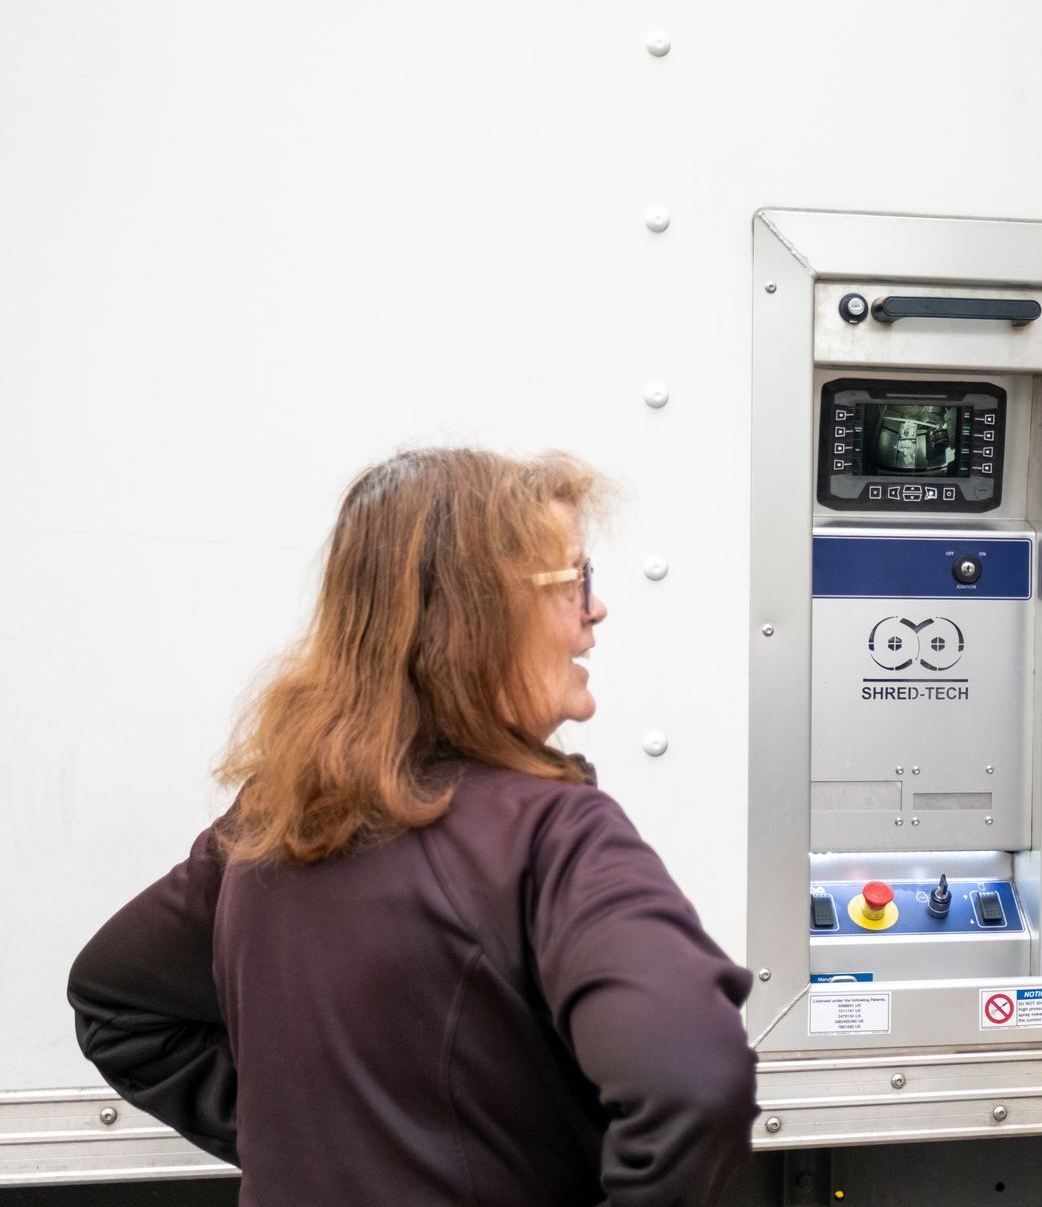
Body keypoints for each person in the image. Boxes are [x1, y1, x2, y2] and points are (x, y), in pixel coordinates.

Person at [68, 448, 758, 1206]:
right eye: (575, 581)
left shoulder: (274, 820)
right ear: (480, 614)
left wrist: (319, 1147)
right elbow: (695, 1082)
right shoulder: (554, 836)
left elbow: (117, 1006)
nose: (595, 613)